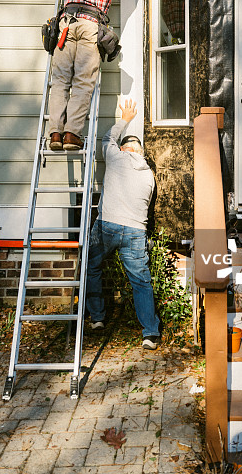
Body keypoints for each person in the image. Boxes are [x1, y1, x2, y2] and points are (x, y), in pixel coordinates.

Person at [48, 0, 146, 151]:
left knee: (61, 81)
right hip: (90, 26)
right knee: (82, 82)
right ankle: (71, 134)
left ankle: (55, 133)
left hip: (65, 25)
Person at [86, 99, 161, 349]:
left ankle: (97, 318)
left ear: (125, 149)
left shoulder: (116, 158)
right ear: (140, 152)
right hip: (136, 231)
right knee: (141, 281)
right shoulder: (149, 175)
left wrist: (126, 117)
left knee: (92, 266)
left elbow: (107, 138)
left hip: (108, 224)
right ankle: (150, 333)